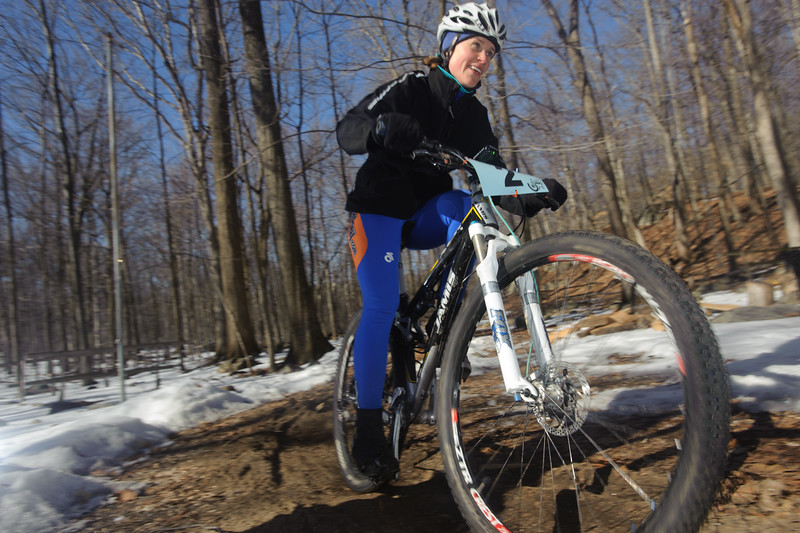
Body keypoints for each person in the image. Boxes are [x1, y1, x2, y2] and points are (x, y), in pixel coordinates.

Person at [336, 2, 566, 482]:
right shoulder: (412, 89)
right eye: (475, 46)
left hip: (424, 213)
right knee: (379, 306)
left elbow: (495, 182)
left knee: (473, 212)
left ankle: (449, 336)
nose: (482, 59)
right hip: (378, 210)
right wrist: (379, 129)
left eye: (490, 52)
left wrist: (533, 189)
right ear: (449, 48)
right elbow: (349, 129)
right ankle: (367, 428)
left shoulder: (475, 119)